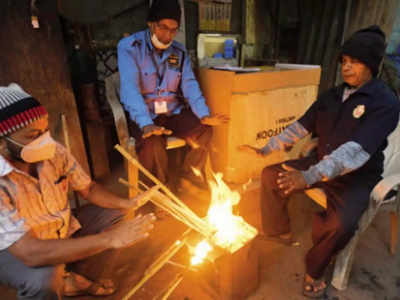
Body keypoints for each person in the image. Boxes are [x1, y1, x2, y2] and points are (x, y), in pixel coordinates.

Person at [240, 25, 400, 298]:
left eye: (355, 62)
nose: (346, 68)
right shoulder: (332, 96)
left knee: (339, 223)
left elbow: (354, 152)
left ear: (371, 65)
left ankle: (314, 271)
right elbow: (301, 125)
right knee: (270, 175)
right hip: (320, 161)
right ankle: (278, 231)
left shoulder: (384, 102)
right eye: (344, 62)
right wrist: (267, 148)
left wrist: (309, 176)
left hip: (356, 176)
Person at [0, 83, 156, 299]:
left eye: (45, 130)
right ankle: (59, 279)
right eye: (33, 135)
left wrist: (127, 204)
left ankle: (79, 278)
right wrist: (109, 239)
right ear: (2, 144)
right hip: (13, 250)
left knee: (118, 216)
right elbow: (29, 252)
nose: (44, 140)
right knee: (44, 280)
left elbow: (89, 189)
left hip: (58, 230)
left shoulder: (52, 152)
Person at [117, 0, 228, 188]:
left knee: (204, 130)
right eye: (163, 27)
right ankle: (160, 189)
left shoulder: (179, 52)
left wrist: (204, 114)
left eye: (173, 29)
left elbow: (189, 84)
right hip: (145, 114)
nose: (167, 35)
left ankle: (188, 178)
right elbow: (130, 89)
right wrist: (146, 124)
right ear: (151, 23)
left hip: (172, 113)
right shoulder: (130, 47)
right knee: (152, 142)